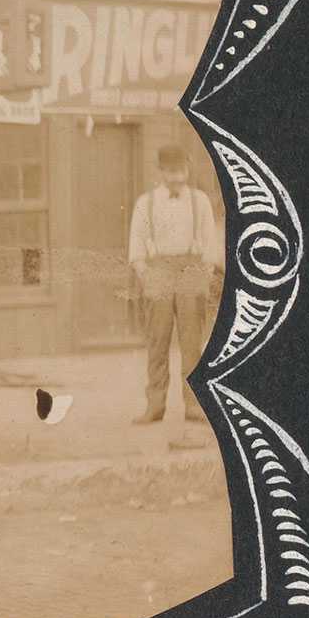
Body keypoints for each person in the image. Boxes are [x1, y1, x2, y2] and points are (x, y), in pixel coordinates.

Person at [127, 145, 225, 425]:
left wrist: (204, 271)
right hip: (158, 271)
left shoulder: (200, 201)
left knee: (192, 343)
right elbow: (136, 242)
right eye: (171, 172)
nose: (177, 178)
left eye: (181, 171)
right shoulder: (145, 203)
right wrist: (145, 272)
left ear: (188, 168)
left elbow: (210, 243)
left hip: (191, 270)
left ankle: (194, 406)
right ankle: (155, 406)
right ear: (160, 172)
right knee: (157, 341)